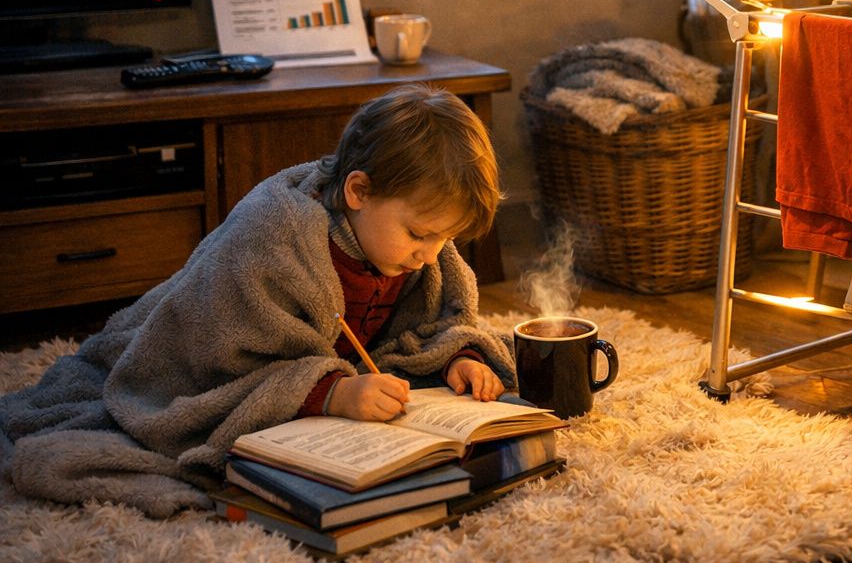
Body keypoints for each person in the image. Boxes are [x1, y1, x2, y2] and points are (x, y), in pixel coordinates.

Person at [0, 83, 518, 516]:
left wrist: (458, 354)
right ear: (358, 191)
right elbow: (224, 352)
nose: (430, 258)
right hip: (189, 340)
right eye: (418, 234)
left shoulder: (408, 248)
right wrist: (332, 393)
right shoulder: (273, 237)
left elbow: (436, 317)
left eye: (442, 241)